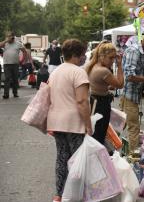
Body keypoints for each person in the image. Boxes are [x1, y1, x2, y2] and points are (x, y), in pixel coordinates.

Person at [46, 39, 92, 202]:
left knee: (61, 157)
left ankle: (59, 194)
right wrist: (88, 124)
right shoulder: (78, 72)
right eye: (83, 54)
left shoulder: (56, 72)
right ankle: (77, 195)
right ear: (77, 55)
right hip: (73, 122)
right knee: (77, 161)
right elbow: (82, 101)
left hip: (56, 122)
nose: (84, 57)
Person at [86, 41, 124, 149]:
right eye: (110, 58)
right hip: (101, 104)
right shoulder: (103, 71)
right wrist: (120, 65)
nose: (112, 61)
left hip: (95, 102)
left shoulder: (92, 66)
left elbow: (97, 85)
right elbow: (120, 84)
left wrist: (106, 87)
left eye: (114, 58)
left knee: (96, 134)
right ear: (102, 56)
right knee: (99, 136)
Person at [0, 31, 26, 99]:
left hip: (15, 64)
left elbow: (24, 51)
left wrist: (22, 60)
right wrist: (6, 40)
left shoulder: (18, 44)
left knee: (15, 79)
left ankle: (15, 93)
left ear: (13, 37)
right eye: (7, 36)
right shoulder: (5, 43)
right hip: (6, 64)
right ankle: (6, 94)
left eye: (9, 36)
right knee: (7, 79)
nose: (8, 38)